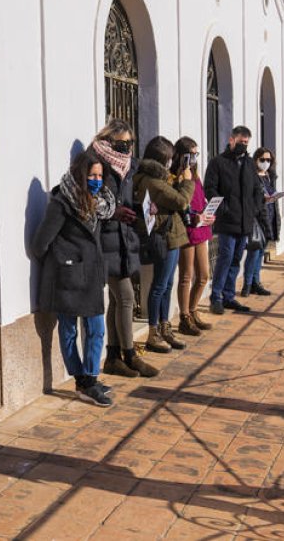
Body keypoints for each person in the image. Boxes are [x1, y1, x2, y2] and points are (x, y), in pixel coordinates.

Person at [31, 149, 117, 406]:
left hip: (90, 276)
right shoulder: (62, 203)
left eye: (100, 176)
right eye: (92, 175)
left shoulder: (98, 202)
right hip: (68, 278)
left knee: (96, 329)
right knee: (69, 330)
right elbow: (40, 244)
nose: (97, 180)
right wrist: (63, 260)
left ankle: (89, 378)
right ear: (81, 175)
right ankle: (83, 380)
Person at [89, 120, 159, 378]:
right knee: (127, 297)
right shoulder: (95, 162)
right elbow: (89, 199)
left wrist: (143, 209)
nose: (128, 146)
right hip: (104, 239)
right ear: (109, 140)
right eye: (123, 142)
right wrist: (112, 212)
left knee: (117, 301)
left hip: (123, 239)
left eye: (131, 142)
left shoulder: (128, 165)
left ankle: (113, 357)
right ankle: (130, 355)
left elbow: (127, 199)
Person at [133, 136, 195, 352]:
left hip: (171, 236)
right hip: (165, 237)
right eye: (170, 158)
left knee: (167, 285)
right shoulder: (152, 182)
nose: (172, 162)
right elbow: (181, 201)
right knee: (159, 286)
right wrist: (187, 181)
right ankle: (153, 332)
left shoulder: (159, 178)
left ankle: (164, 326)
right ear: (161, 159)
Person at [203, 126, 261, 314]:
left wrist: (254, 209)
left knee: (236, 259)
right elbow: (210, 188)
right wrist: (224, 209)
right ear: (231, 140)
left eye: (246, 142)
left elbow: (257, 189)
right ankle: (216, 297)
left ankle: (228, 296)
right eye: (241, 141)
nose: (243, 145)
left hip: (245, 222)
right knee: (225, 258)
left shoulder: (250, 163)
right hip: (227, 221)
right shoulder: (218, 162)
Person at [173, 137, 216, 335]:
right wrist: (192, 216)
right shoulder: (177, 177)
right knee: (186, 276)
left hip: (201, 228)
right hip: (186, 230)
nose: (193, 158)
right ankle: (184, 317)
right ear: (181, 155)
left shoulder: (196, 176)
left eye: (196, 154)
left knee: (204, 275)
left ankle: (193, 310)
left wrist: (208, 214)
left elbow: (200, 199)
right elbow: (180, 203)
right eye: (190, 154)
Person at [241, 147, 279, 297]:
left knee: (261, 252)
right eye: (262, 159)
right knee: (254, 251)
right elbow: (248, 198)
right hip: (256, 219)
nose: (266, 162)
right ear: (256, 160)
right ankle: (247, 284)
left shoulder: (270, 176)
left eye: (268, 160)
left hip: (269, 217)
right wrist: (261, 199)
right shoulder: (251, 176)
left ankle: (256, 282)